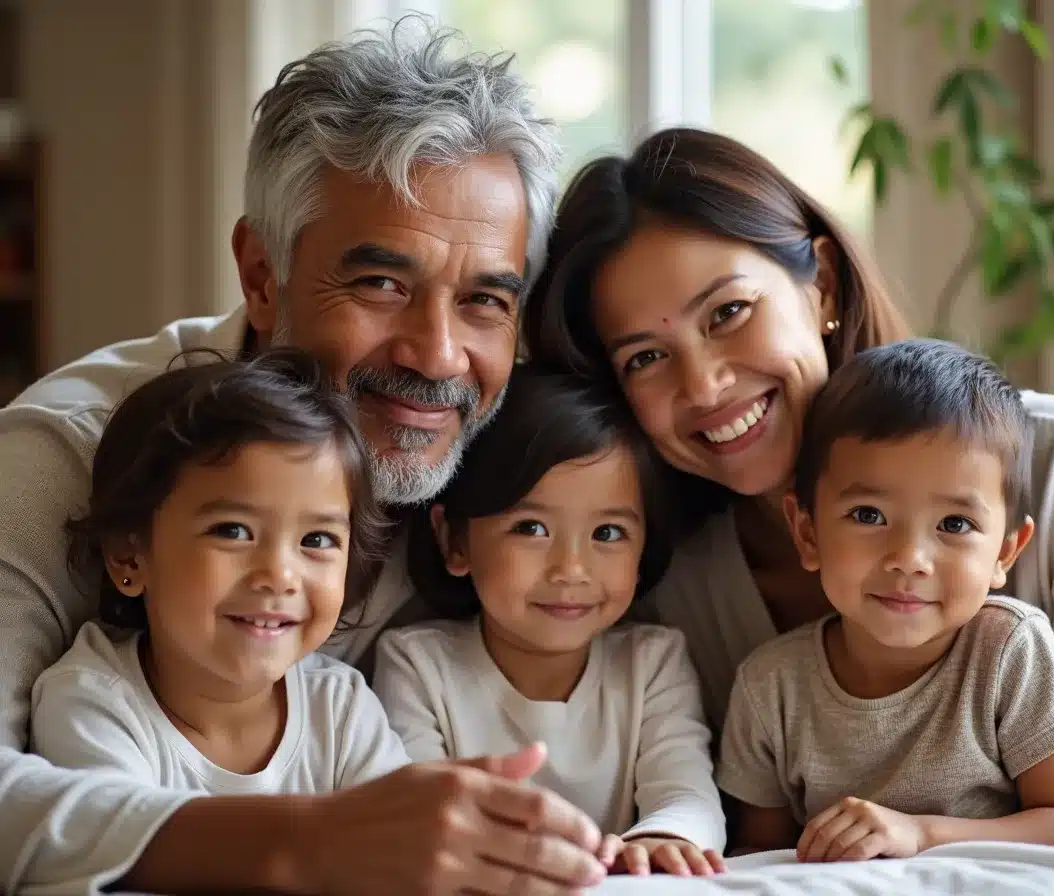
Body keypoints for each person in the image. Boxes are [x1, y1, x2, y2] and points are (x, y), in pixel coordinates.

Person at [0, 19, 609, 896]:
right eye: (381, 285)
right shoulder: (61, 455)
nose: (437, 356)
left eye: (484, 301)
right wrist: (299, 845)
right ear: (260, 273)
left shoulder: (520, 471)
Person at [524, 126, 1054, 835]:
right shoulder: (660, 581)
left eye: (729, 313)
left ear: (820, 283)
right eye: (644, 357)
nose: (705, 385)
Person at [717, 339, 1054, 860]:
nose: (909, 558)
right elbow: (758, 855)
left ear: (1005, 553)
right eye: (869, 515)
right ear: (807, 533)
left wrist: (921, 834)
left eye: (955, 524)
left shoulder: (1009, 650)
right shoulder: (770, 687)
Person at [375, 365, 727, 878]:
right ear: (454, 539)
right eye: (531, 527)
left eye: (608, 533)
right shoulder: (417, 664)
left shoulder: (652, 662)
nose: (571, 570)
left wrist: (660, 837)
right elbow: (422, 812)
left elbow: (689, 795)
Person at [31, 348, 412, 791]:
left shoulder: (340, 709)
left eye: (317, 540)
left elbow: (407, 848)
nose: (279, 575)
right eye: (232, 531)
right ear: (128, 556)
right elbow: (131, 850)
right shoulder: (93, 703)